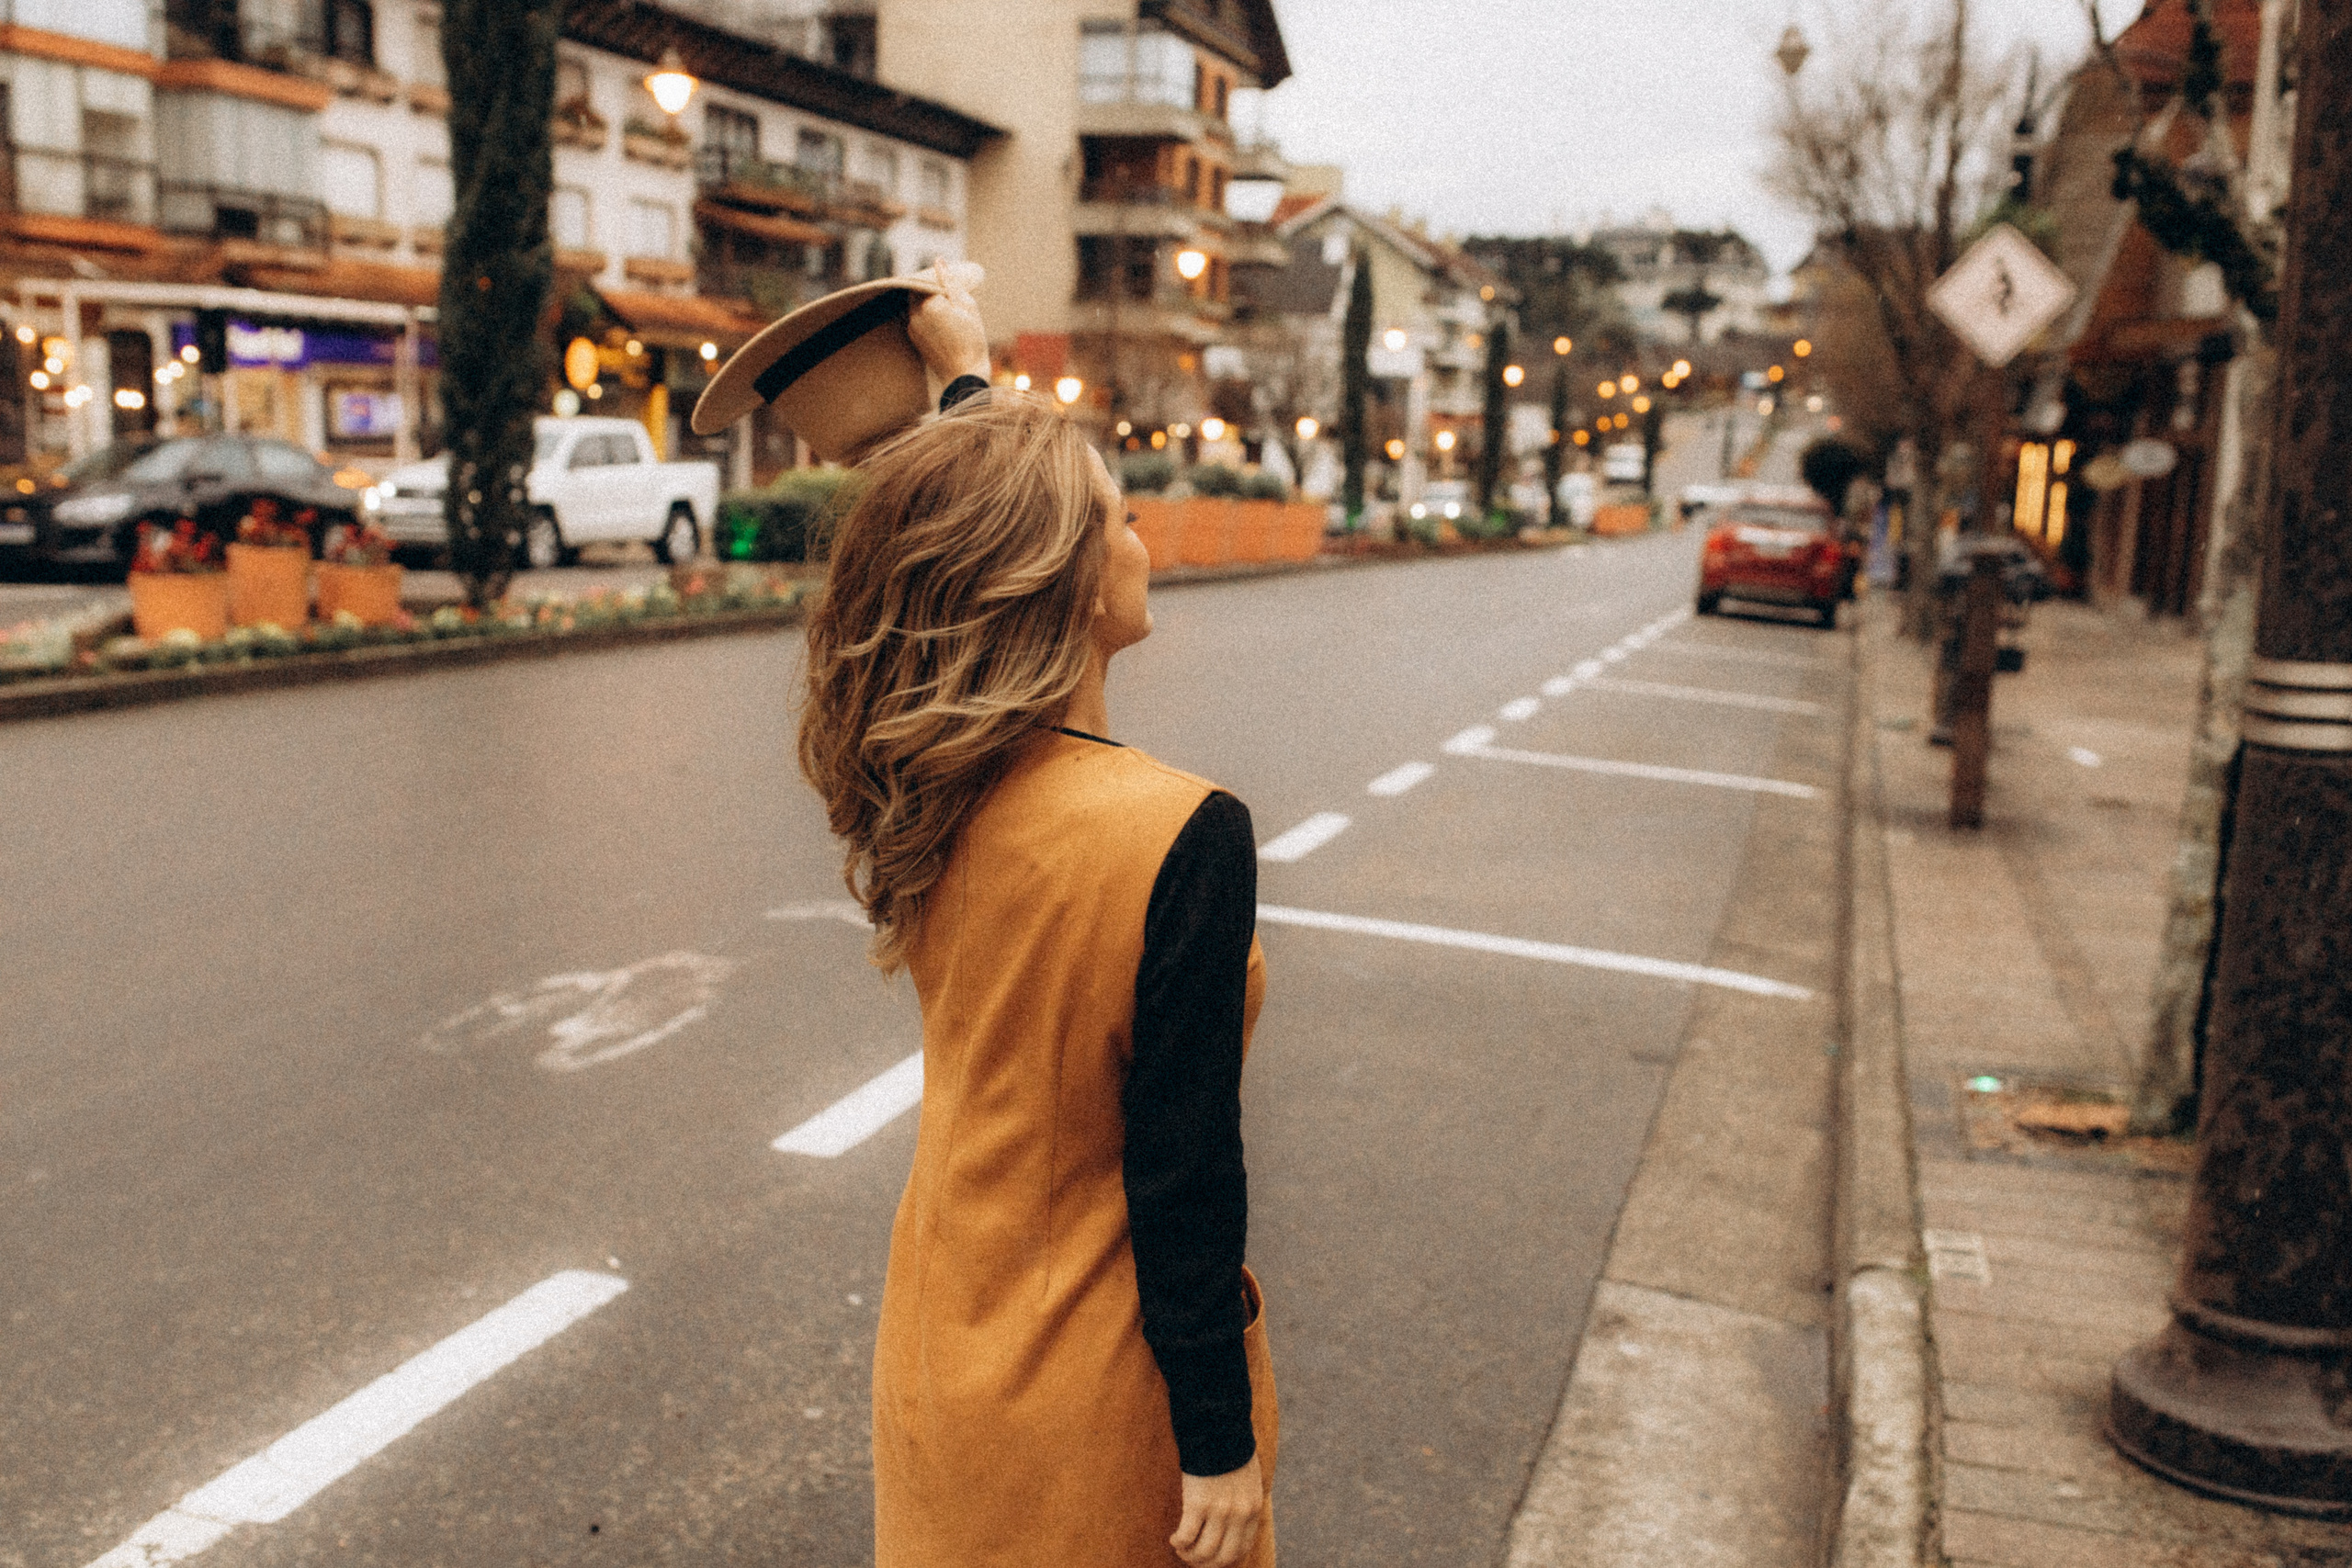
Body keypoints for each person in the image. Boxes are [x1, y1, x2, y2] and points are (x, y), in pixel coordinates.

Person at [797, 266, 1278, 1568]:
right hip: (1092, 1382)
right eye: (1119, 520)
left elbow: (974, 524)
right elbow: (1182, 1172)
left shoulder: (931, 783)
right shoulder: (1181, 832)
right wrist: (1218, 1440)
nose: (1139, 539)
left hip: (939, 1344)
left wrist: (968, 375)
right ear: (1059, 575)